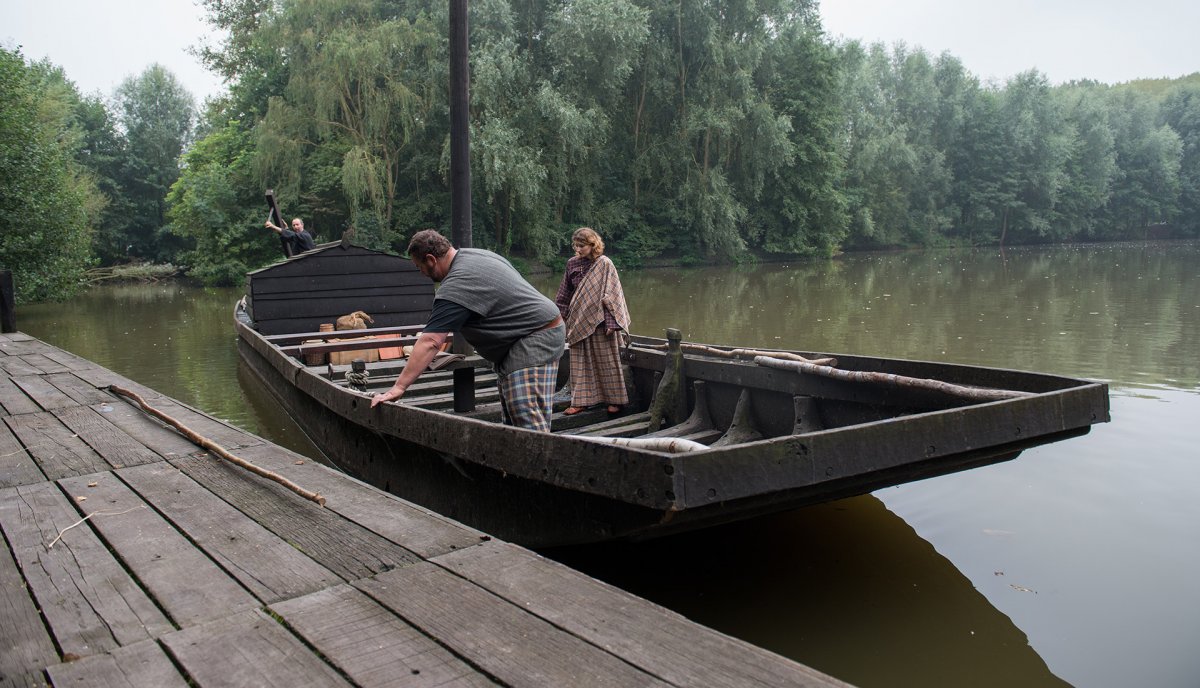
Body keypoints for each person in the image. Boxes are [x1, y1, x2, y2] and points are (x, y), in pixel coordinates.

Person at [370, 229, 566, 432]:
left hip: (535, 337)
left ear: (431, 259)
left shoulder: (457, 284)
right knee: (513, 422)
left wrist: (398, 388)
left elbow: (431, 341)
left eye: (420, 267)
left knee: (527, 421)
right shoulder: (475, 255)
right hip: (524, 338)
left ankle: (538, 462)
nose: (421, 273)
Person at [554, 227, 631, 415]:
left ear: (592, 244)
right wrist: (559, 319)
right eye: (575, 245)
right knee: (580, 364)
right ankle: (581, 402)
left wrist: (612, 324)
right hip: (578, 320)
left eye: (581, 246)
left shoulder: (604, 264)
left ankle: (615, 401)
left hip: (601, 323)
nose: (578, 249)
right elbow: (565, 294)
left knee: (608, 362)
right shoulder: (572, 264)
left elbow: (614, 294)